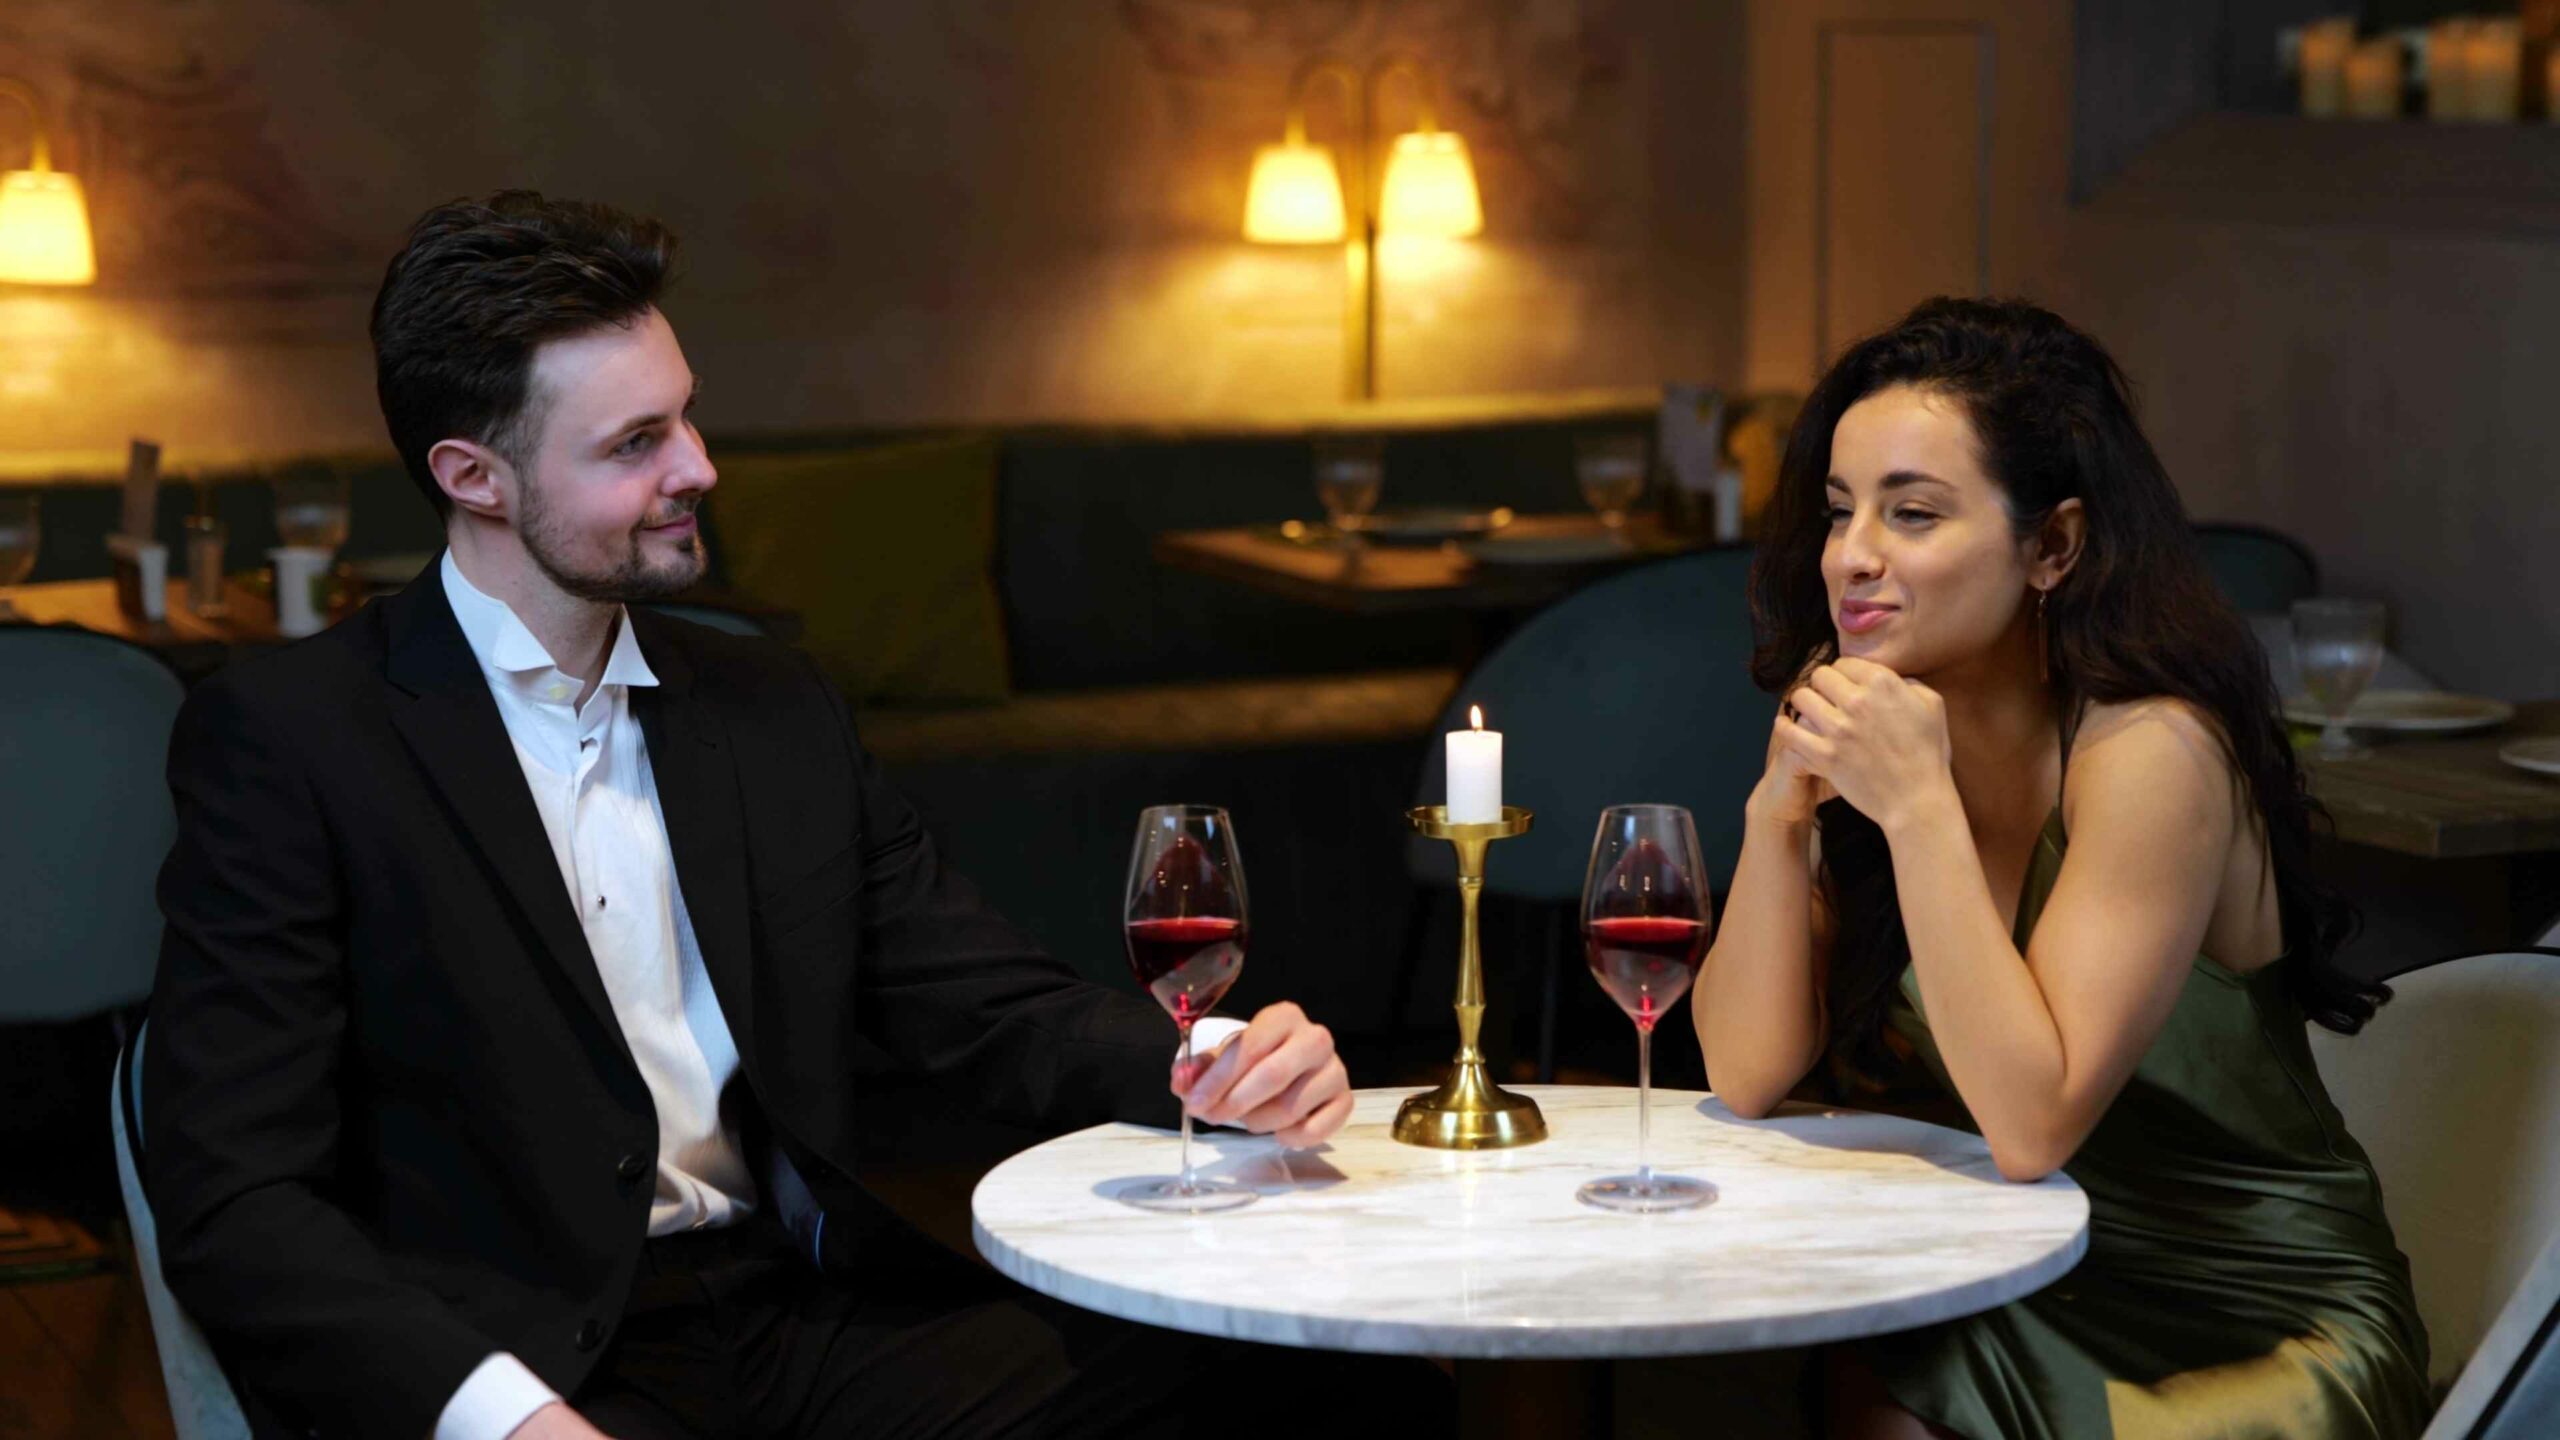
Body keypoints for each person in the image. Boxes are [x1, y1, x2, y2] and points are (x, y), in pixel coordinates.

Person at [144, 191, 1447, 1440]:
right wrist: (511, 1422)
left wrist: (1217, 1064)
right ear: (473, 477)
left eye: (686, 417)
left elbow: (977, 1002)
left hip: (803, 1316)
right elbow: (236, 1200)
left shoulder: (771, 704)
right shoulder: (292, 740)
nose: (699, 468)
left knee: (1342, 1383)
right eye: (635, 444)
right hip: (525, 1364)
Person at [1694, 297, 2430, 1439]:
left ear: (2053, 547)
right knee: (1812, 1363)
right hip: (2020, 1277)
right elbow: (1744, 1073)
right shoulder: (1879, 726)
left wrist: (1919, 809)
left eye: (1913, 513)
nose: (1852, 557)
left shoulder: (2153, 754)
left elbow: (2032, 1127)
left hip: (2251, 1326)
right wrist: (1778, 813)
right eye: (1841, 511)